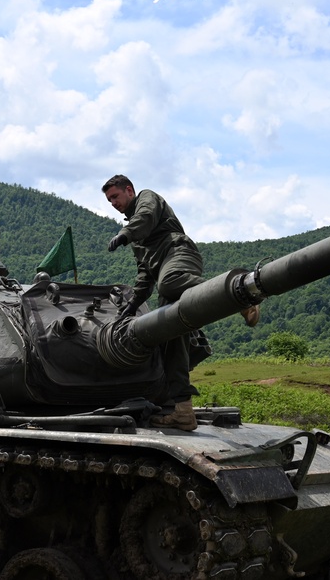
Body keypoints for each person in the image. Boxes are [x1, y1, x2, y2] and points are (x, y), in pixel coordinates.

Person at [102, 174, 259, 431]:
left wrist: (125, 234)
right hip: (163, 268)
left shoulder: (146, 199)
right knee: (169, 334)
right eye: (109, 200)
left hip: (178, 253)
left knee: (170, 281)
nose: (113, 203)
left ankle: (239, 293)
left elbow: (146, 217)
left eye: (115, 197)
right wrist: (133, 305)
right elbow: (145, 273)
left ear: (129, 190)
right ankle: (183, 410)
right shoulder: (137, 234)